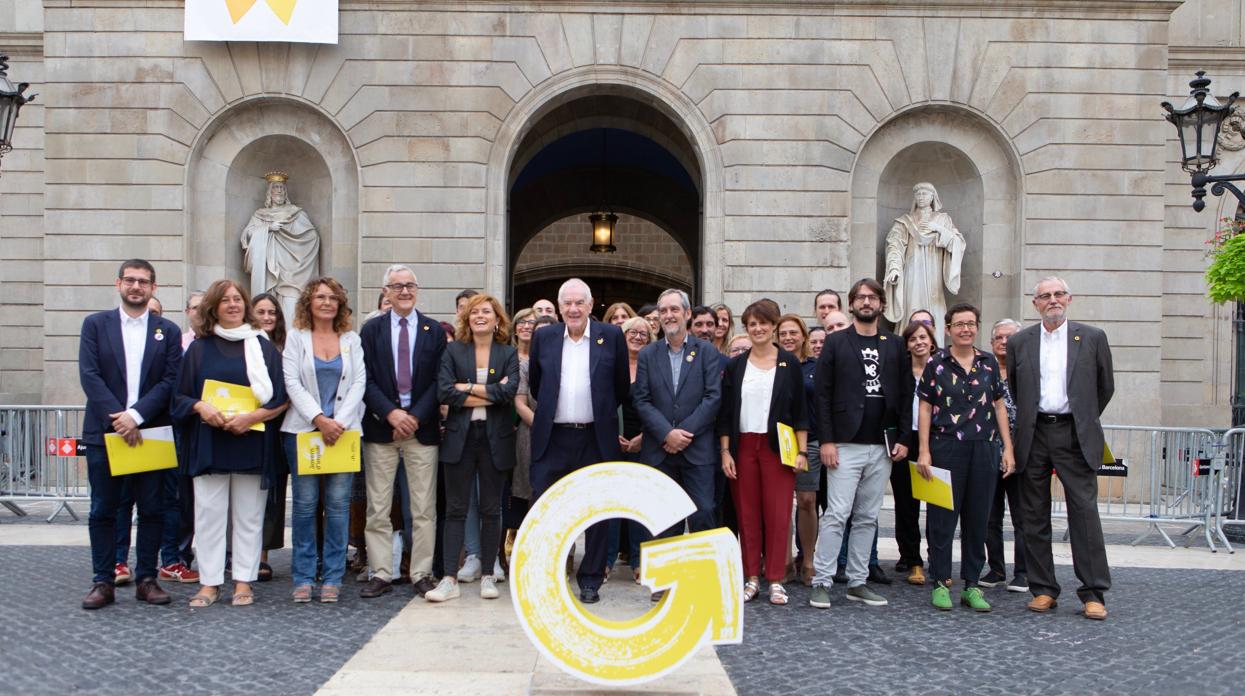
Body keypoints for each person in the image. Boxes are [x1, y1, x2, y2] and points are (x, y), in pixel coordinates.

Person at [173, 279, 288, 608]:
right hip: (210, 442)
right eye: (225, 301)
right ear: (214, 307)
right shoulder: (199, 347)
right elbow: (180, 395)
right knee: (208, 516)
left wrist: (251, 418)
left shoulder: (261, 346)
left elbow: (281, 397)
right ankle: (209, 583)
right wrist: (201, 407)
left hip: (251, 441)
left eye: (238, 299)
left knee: (249, 516)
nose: (233, 305)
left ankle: (243, 581)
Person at [1008, 277, 1114, 620]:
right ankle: (1043, 589)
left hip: (1074, 434)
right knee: (1033, 515)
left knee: (1084, 513)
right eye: (1045, 296)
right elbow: (1016, 387)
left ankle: (1093, 592)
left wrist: (1081, 418)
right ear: (1035, 303)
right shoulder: (1020, 342)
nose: (1052, 300)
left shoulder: (1093, 337)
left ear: (1069, 298)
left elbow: (1105, 387)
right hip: (1034, 433)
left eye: (1058, 294)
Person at [79, 259, 183, 610]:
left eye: (144, 281)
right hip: (106, 434)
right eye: (131, 280)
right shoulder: (95, 325)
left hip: (150, 432)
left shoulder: (166, 331)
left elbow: (171, 379)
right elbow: (90, 375)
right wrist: (120, 419)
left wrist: (136, 416)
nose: (136, 286)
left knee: (153, 509)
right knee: (103, 510)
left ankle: (147, 579)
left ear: (154, 287)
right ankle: (102, 581)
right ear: (118, 284)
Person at [528, 278, 630, 604]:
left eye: (579, 303)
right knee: (547, 509)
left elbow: (620, 388)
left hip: (595, 438)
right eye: (567, 303)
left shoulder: (611, 336)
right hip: (553, 437)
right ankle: (548, 576)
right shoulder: (543, 337)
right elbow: (536, 384)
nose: (573, 309)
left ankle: (590, 580)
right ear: (559, 308)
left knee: (597, 511)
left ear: (589, 306)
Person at [809, 278, 909, 610]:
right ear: (851, 304)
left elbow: (907, 394)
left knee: (867, 516)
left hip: (882, 444)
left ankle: (857, 581)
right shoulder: (836, 342)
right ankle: (822, 581)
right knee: (836, 514)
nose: (866, 302)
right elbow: (822, 395)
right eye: (860, 298)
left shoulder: (894, 344)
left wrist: (904, 439)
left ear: (881, 303)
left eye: (872, 298)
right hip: (845, 443)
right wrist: (827, 440)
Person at [915, 303, 1015, 612]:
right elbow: (925, 407)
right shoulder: (936, 364)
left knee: (978, 518)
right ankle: (941, 582)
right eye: (959, 324)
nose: (966, 329)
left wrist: (1007, 448)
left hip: (984, 448)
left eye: (971, 323)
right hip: (946, 447)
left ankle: (972, 584)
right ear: (948, 329)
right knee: (942, 519)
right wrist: (924, 449)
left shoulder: (987, 363)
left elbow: (999, 406)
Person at [358, 264, 446, 599]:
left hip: (420, 432)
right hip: (382, 429)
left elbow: (440, 380)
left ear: (417, 289)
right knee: (378, 507)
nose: (404, 291)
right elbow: (363, 379)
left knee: (423, 508)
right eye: (397, 286)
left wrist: (414, 416)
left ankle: (421, 573)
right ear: (386, 292)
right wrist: (392, 413)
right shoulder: (372, 330)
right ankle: (382, 572)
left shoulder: (433, 331)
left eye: (409, 285)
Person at [425, 295, 519, 603]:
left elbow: (508, 393)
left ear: (497, 320)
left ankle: (488, 576)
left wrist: (465, 387)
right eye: (474, 311)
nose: (480, 316)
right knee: (455, 509)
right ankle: (449, 577)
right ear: (466, 319)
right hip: (460, 438)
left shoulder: (508, 353)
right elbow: (444, 391)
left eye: (486, 312)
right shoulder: (453, 351)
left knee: (491, 510)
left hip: (494, 440)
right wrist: (487, 392)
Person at [279, 277, 366, 603]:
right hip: (303, 432)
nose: (327, 302)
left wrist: (337, 423)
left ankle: (332, 576)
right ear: (308, 303)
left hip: (343, 434)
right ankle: (303, 576)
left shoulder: (351, 339)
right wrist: (319, 419)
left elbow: (359, 382)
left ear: (340, 303)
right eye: (320, 297)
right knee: (304, 507)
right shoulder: (296, 339)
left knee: (339, 507)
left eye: (332, 297)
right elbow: (291, 382)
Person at [718, 300, 808, 606]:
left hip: (777, 447)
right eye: (752, 324)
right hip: (743, 446)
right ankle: (752, 577)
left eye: (763, 323)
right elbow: (726, 412)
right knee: (747, 514)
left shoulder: (789, 363)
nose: (757, 329)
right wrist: (726, 452)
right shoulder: (735, 366)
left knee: (778, 513)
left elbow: (800, 411)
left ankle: (776, 580)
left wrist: (802, 451)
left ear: (774, 326)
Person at [633, 290, 722, 599]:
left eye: (674, 309)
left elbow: (713, 398)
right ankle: (665, 581)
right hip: (659, 450)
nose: (668, 315)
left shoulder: (707, 352)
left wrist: (682, 433)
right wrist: (665, 434)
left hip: (696, 449)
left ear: (687, 314)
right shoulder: (648, 354)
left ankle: (699, 579)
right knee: (664, 515)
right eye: (663, 310)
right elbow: (641, 400)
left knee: (703, 512)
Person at [605, 315, 653, 582]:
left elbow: (663, 407)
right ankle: (606, 560)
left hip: (645, 443)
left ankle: (639, 561)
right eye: (631, 332)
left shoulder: (654, 367)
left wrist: (644, 438)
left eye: (643, 333)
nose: (637, 336)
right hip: (611, 441)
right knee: (610, 503)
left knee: (639, 505)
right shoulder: (610, 365)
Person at [981, 318, 1027, 593]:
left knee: (1023, 517)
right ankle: (996, 567)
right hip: (988, 453)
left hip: (1021, 454)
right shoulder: (983, 371)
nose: (1003, 342)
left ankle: (1023, 571)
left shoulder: (1028, 373)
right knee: (989, 516)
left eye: (1009, 338)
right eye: (998, 337)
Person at [893, 319, 938, 585]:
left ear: (932, 341)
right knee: (906, 505)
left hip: (936, 440)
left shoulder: (943, 369)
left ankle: (938, 559)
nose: (919, 342)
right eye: (913, 339)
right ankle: (912, 560)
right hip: (905, 441)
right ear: (907, 345)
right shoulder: (900, 373)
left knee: (936, 503)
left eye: (923, 337)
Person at [777, 314, 819, 585]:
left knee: (807, 501)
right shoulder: (772, 365)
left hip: (810, 441)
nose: (788, 338)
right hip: (779, 440)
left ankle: (808, 560)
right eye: (783, 334)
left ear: (803, 336)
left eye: (794, 332)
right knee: (780, 504)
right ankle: (783, 559)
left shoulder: (815, 366)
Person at [252, 291, 288, 581]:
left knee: (273, 492)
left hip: (278, 428)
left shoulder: (286, 347)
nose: (266, 317)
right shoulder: (243, 344)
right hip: (246, 427)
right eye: (261, 312)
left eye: (271, 312)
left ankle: (263, 554)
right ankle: (238, 553)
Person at [504, 308, 537, 562]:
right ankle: (510, 545)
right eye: (522, 322)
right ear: (515, 328)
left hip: (533, 429)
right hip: (514, 430)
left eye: (532, 323)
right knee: (516, 487)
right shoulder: (507, 357)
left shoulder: (543, 357)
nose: (527, 327)